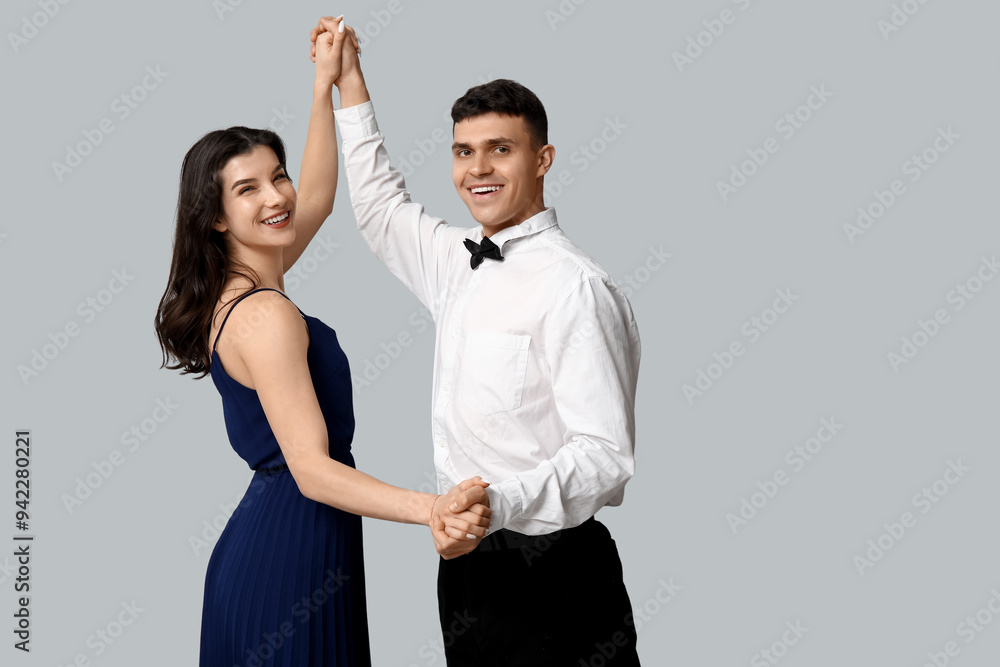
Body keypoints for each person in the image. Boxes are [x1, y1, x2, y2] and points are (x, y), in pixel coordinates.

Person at [153, 18, 491, 666]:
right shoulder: (264, 314)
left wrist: (325, 88)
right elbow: (311, 470)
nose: (278, 196)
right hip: (291, 555)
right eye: (247, 189)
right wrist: (431, 509)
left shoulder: (247, 277)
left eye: (276, 176)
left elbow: (319, 197)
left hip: (293, 543)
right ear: (217, 216)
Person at [311, 16, 642, 666]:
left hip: (556, 570)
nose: (477, 169)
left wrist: (498, 501)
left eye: (500, 149)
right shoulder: (455, 261)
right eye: (463, 151)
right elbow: (379, 206)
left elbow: (605, 455)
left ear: (542, 159)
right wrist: (350, 81)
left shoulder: (576, 287)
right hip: (465, 567)